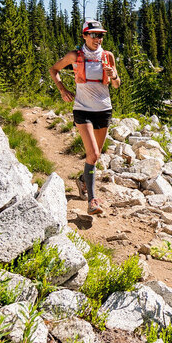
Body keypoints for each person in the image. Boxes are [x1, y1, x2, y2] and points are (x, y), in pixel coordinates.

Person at [49, 19, 121, 215]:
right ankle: (92, 200)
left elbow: (116, 85)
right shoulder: (75, 56)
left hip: (104, 110)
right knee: (94, 154)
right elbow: (53, 69)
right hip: (82, 110)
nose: (98, 39)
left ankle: (82, 180)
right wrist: (63, 89)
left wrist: (114, 75)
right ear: (84, 35)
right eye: (94, 35)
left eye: (101, 35)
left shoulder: (108, 56)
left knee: (94, 157)